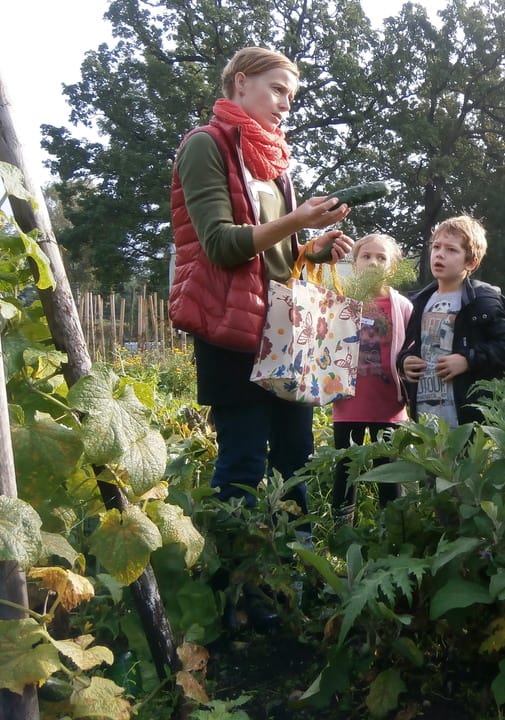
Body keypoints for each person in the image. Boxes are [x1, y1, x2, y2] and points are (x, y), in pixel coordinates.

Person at [169, 47, 352, 520]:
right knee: (243, 464)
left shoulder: (273, 165)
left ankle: (295, 572)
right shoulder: (204, 144)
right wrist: (295, 221)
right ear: (241, 82)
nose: (285, 104)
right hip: (230, 329)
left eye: (291, 96)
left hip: (284, 331)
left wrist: (312, 249)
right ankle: (242, 586)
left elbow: (275, 257)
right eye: (277, 90)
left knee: (295, 458)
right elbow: (221, 246)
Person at [398, 215, 505, 426]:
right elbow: (409, 346)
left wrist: (468, 360)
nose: (440, 255)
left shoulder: (481, 300)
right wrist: (405, 361)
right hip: (426, 417)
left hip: (467, 419)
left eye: (451, 250)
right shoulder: (420, 301)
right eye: (436, 247)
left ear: (471, 262)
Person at [330, 234, 414, 525]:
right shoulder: (341, 303)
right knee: (345, 469)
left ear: (392, 268)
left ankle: (391, 531)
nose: (373, 262)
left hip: (388, 406)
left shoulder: (403, 306)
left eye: (381, 258)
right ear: (354, 264)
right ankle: (342, 532)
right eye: (366, 256)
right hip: (347, 403)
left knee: (388, 471)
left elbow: (411, 350)